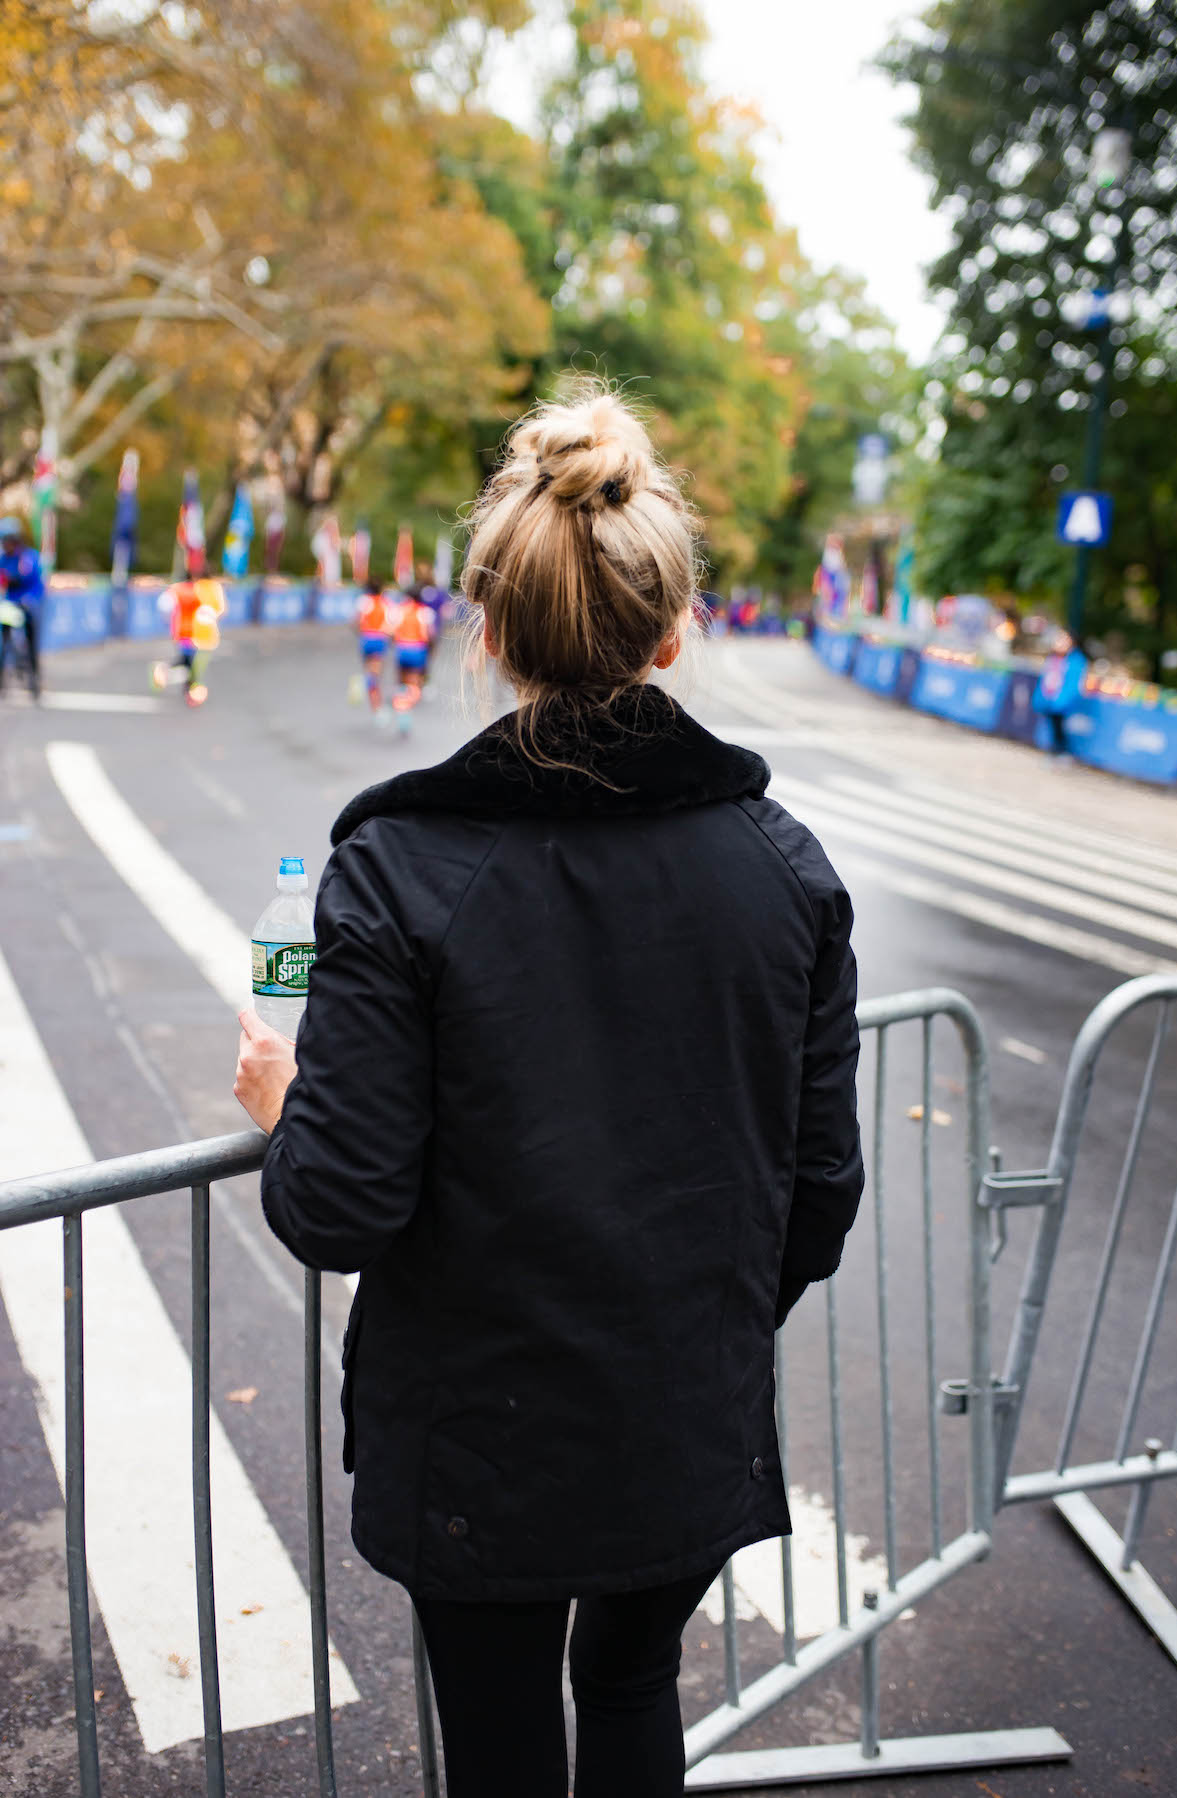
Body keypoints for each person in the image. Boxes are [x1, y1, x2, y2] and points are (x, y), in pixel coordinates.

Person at [233, 386, 863, 1798]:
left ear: (490, 631)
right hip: (685, 1406)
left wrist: (284, 1098)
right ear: (673, 629)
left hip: (480, 1431)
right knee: (634, 1685)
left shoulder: (399, 867)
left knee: (505, 1733)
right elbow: (820, 1197)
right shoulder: (785, 868)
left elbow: (338, 1201)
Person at [152, 568, 226, 705]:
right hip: (198, 633)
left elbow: (163, 606)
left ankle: (180, 682)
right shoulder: (207, 589)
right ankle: (190, 689)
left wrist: (169, 621)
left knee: (188, 660)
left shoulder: (176, 589)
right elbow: (220, 610)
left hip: (182, 631)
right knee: (193, 662)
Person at [0, 516, 45, 699]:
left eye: (9, 541)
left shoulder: (28, 557)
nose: (6, 545)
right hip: (10, 604)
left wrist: (28, 599)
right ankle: (2, 677)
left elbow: (33, 582)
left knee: (32, 638)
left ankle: (33, 677)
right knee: (4, 640)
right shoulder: (4, 559)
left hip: (28, 602)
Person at [1034, 627, 1089, 757]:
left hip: (1063, 702)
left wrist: (1061, 701)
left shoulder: (1076, 661)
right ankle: (1056, 751)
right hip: (1049, 698)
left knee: (1061, 728)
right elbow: (1046, 679)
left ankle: (1063, 752)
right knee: (1053, 726)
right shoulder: (1053, 658)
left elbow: (1073, 684)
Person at [390, 583, 436, 720]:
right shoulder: (425, 612)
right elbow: (430, 634)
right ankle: (407, 706)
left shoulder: (399, 610)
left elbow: (392, 631)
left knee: (402, 683)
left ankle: (401, 710)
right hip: (417, 650)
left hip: (402, 649)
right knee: (414, 684)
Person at [354, 576, 394, 717]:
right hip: (379, 639)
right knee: (375, 675)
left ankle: (375, 706)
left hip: (366, 638)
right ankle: (376, 706)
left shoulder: (363, 601)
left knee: (369, 671)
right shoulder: (386, 603)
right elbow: (390, 626)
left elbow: (356, 622)